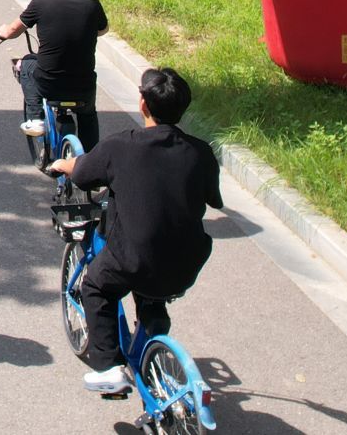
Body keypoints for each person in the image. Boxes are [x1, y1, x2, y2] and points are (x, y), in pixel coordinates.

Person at [48, 68, 222, 394]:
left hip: (134, 258)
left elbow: (82, 173)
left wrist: (62, 165)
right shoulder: (201, 152)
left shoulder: (121, 147)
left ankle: (109, 366)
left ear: (143, 104)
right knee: (153, 288)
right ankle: (154, 330)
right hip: (187, 261)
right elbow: (214, 198)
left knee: (96, 286)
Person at [0, 0, 106, 156]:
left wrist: (2, 32)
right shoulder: (92, 5)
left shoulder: (40, 3)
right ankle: (91, 160)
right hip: (83, 84)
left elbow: (13, 30)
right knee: (88, 115)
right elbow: (103, 30)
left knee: (27, 64)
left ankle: (36, 117)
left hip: (50, 83)